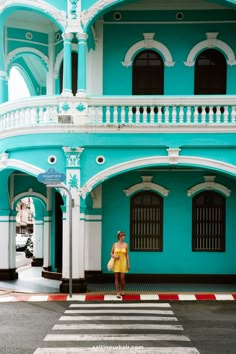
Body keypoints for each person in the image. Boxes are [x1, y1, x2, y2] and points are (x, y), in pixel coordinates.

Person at [110, 230, 130, 297]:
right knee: (116, 277)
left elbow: (127, 254)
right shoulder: (115, 244)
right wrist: (114, 256)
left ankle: (123, 290)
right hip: (116, 262)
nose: (124, 237)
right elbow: (111, 253)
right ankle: (118, 292)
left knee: (122, 277)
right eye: (122, 236)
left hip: (123, 262)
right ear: (119, 236)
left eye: (124, 235)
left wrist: (128, 263)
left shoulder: (126, 244)